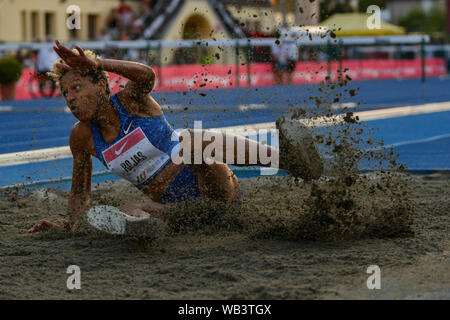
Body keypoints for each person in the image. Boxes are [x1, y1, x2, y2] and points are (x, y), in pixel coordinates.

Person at [28, 40, 323, 235]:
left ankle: (291, 160)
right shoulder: (82, 137)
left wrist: (99, 62)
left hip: (214, 189)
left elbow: (147, 76)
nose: (70, 98)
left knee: (191, 142)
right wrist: (68, 225)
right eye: (66, 93)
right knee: (127, 210)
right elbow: (80, 191)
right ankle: (147, 231)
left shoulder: (130, 101)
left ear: (101, 85)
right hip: (181, 212)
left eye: (77, 88)